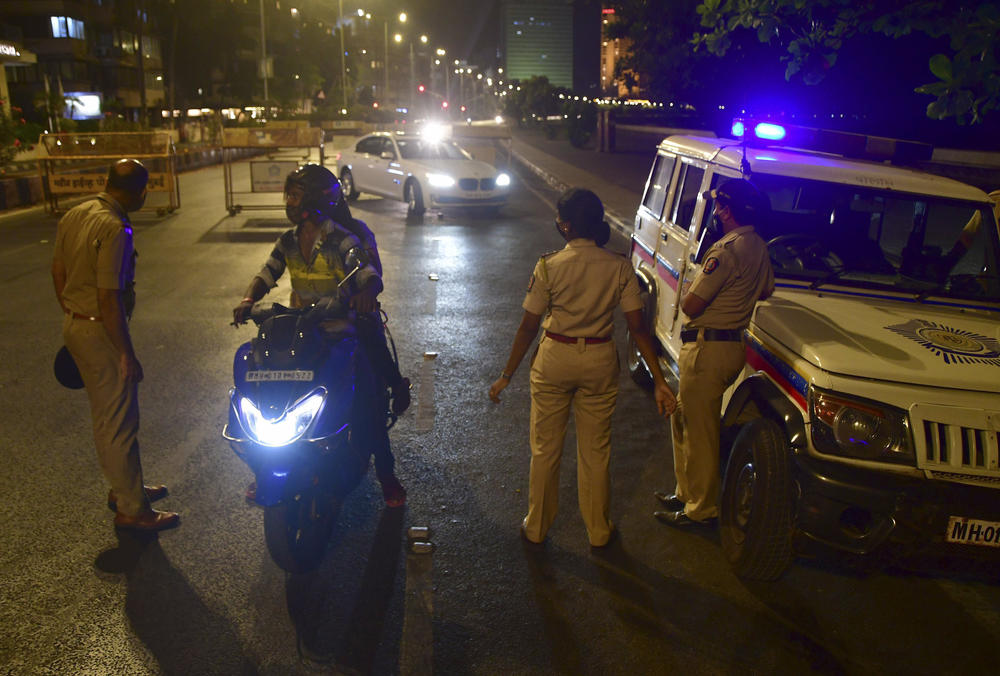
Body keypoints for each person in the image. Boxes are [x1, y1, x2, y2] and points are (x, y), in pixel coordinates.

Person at [489, 188, 675, 547]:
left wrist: (506, 375)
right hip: (599, 360)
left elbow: (528, 326)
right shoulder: (620, 266)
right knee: (596, 451)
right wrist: (660, 381)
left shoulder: (548, 265)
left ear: (567, 226)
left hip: (554, 359)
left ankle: (537, 527)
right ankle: (600, 531)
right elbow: (637, 327)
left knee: (545, 450)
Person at [231, 164, 406, 507]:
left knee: (368, 404)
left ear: (313, 200)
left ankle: (387, 475)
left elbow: (368, 272)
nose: (288, 202)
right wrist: (249, 300)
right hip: (301, 326)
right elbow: (268, 272)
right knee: (263, 376)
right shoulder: (288, 240)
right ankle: (265, 465)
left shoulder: (345, 237)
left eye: (294, 196)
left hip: (343, 326)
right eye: (288, 195)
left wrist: (366, 291)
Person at [51, 159, 179, 531]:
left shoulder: (76, 213)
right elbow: (109, 297)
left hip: (77, 324)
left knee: (106, 418)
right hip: (101, 331)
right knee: (119, 422)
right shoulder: (115, 228)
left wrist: (73, 312)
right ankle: (132, 510)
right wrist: (126, 353)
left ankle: (126, 489)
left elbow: (57, 271)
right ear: (140, 192)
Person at [654, 179, 774, 528]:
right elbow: (766, 289)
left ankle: (701, 508)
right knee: (683, 417)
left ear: (726, 209)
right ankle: (686, 491)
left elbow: (691, 305)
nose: (716, 211)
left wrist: (696, 285)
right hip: (730, 345)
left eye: (720, 205)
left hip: (708, 348)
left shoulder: (725, 251)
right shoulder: (758, 246)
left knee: (699, 429)